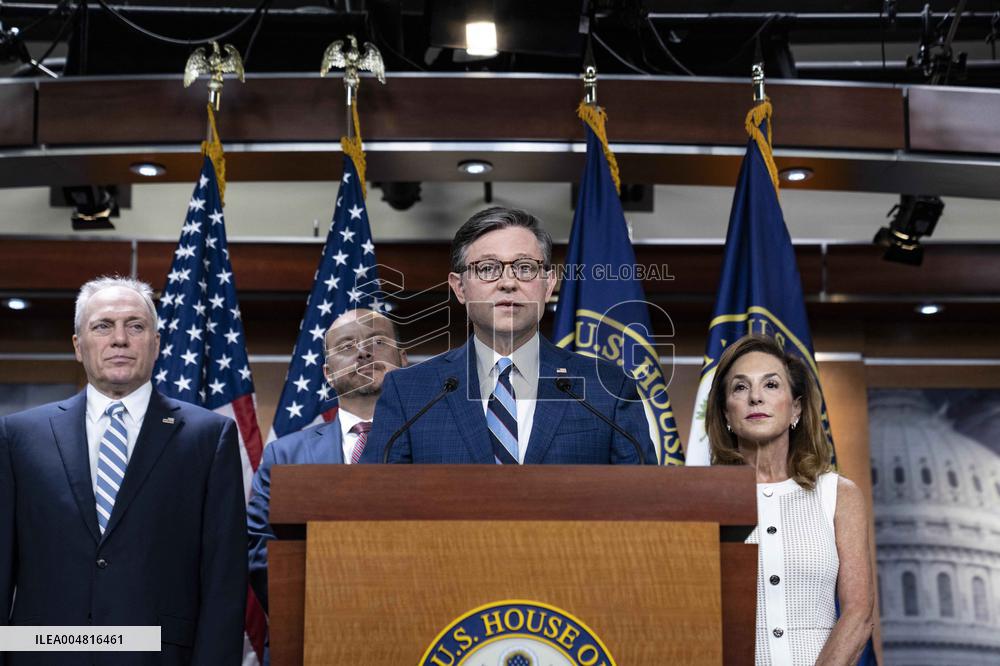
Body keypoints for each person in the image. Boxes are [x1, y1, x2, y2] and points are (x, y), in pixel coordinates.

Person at [0, 276, 246, 665]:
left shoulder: (209, 436)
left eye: (135, 326)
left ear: (157, 343)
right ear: (79, 347)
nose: (120, 339)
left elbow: (224, 578)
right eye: (102, 326)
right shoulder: (18, 436)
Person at [360, 206, 655, 465]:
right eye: (488, 268)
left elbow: (645, 498)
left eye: (525, 268)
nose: (508, 282)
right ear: (459, 287)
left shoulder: (607, 388)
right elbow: (375, 501)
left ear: (548, 284)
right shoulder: (410, 392)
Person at [705, 334, 874, 665]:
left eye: (771, 385)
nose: (755, 397)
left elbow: (859, 613)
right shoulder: (704, 499)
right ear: (726, 413)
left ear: (795, 407)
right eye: (740, 388)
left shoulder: (838, 494)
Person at [247, 307, 407, 613]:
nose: (362, 352)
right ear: (328, 374)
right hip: (312, 620)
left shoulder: (434, 445)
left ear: (402, 360)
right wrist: (328, 598)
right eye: (346, 347)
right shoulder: (285, 456)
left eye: (376, 342)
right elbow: (259, 548)